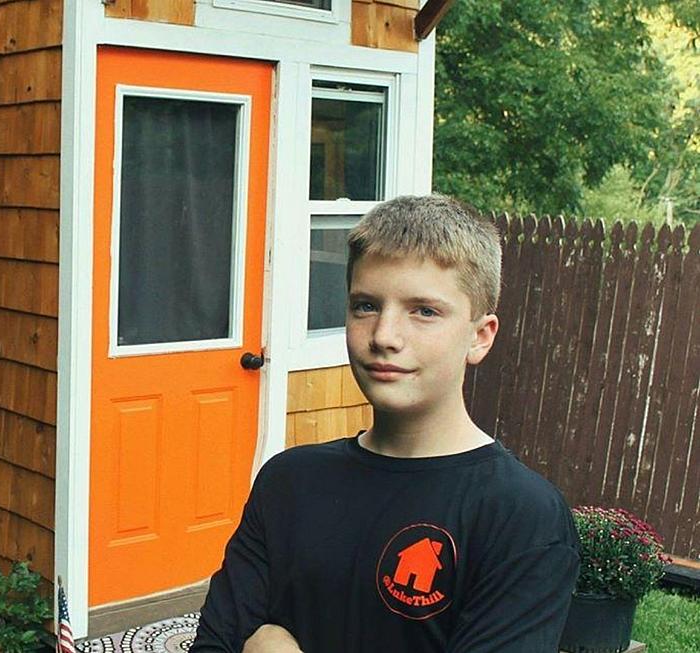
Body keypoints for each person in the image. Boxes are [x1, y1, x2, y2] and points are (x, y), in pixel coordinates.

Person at [190, 195, 579, 652]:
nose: (384, 336)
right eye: (366, 306)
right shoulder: (289, 482)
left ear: (479, 336)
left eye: (424, 311)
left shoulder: (519, 516)